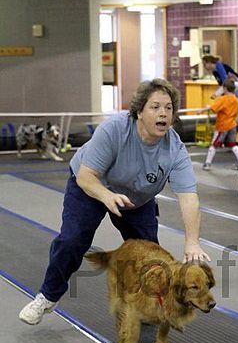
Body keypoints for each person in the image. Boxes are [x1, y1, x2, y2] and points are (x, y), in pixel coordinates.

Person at [19, 78, 211, 325]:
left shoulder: (175, 149)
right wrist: (106, 196)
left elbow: (189, 198)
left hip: (136, 199)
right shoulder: (114, 130)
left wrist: (192, 242)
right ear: (139, 112)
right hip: (92, 187)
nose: (163, 113)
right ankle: (47, 297)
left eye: (169, 108)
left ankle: (151, 307)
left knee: (152, 256)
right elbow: (86, 177)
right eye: (155, 107)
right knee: (72, 240)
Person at [197, 79, 238, 171]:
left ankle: (207, 163)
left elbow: (213, 108)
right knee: (233, 145)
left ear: (224, 88)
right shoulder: (236, 100)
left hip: (222, 126)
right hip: (232, 125)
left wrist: (202, 110)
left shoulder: (223, 99)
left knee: (214, 144)